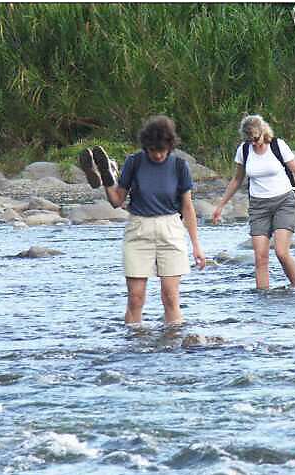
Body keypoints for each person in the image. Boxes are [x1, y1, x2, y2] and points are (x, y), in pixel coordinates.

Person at [78, 115, 206, 324]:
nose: (157, 155)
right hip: (139, 228)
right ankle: (107, 175)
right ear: (146, 146)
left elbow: (188, 207)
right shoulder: (135, 162)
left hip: (171, 228)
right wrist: (108, 186)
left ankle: (173, 346)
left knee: (170, 298)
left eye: (161, 151)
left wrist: (196, 246)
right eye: (152, 150)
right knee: (136, 299)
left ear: (170, 146)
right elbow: (117, 201)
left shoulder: (179, 166)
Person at [212, 114, 295, 290]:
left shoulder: (277, 145)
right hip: (259, 206)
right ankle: (263, 297)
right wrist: (220, 206)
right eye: (249, 140)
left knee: (281, 252)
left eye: (256, 139)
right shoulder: (244, 150)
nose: (253, 143)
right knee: (260, 257)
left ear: (263, 132)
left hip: (284, 201)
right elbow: (237, 180)